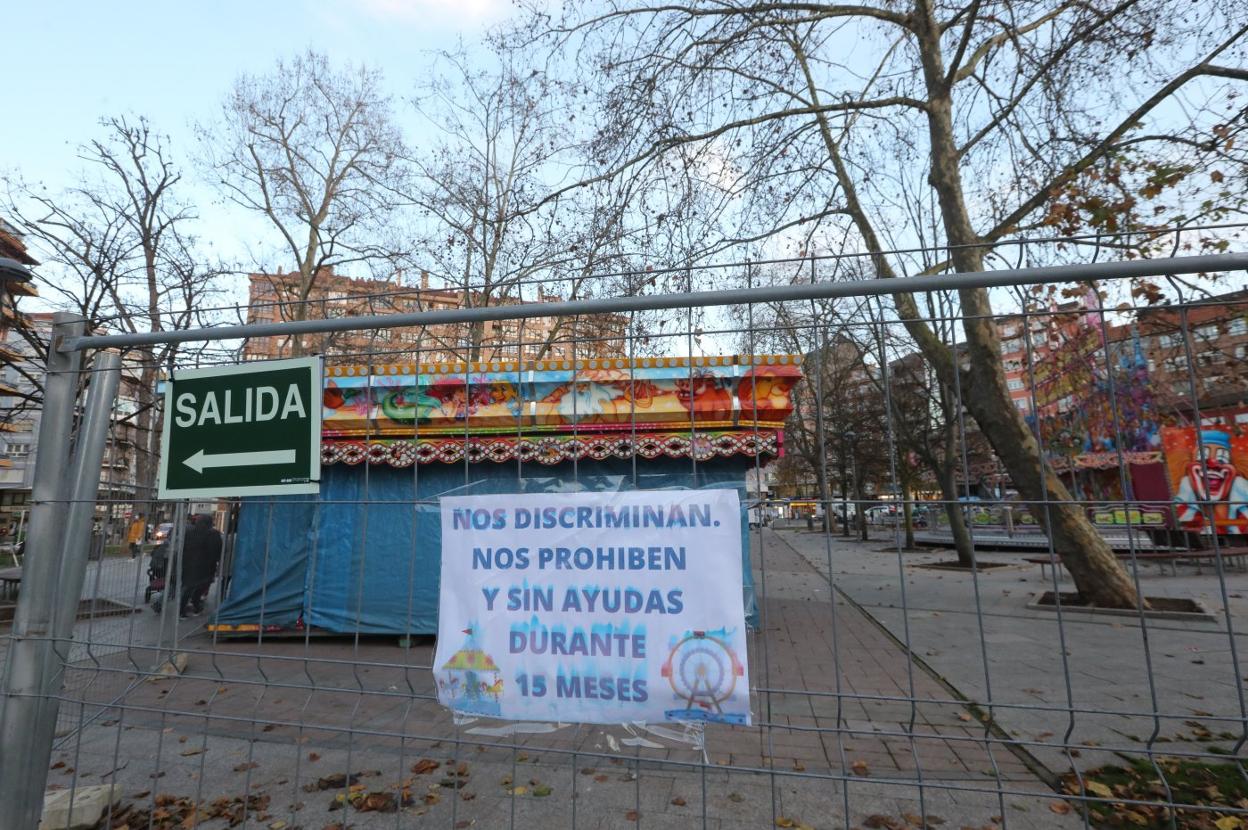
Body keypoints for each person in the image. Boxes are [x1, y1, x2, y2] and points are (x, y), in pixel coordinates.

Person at [178, 514, 223, 617]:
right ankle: (195, 605)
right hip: (205, 566)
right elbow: (216, 551)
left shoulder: (189, 532)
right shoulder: (213, 534)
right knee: (201, 586)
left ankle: (183, 609)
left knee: (188, 587)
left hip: (189, 564)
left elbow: (183, 547)